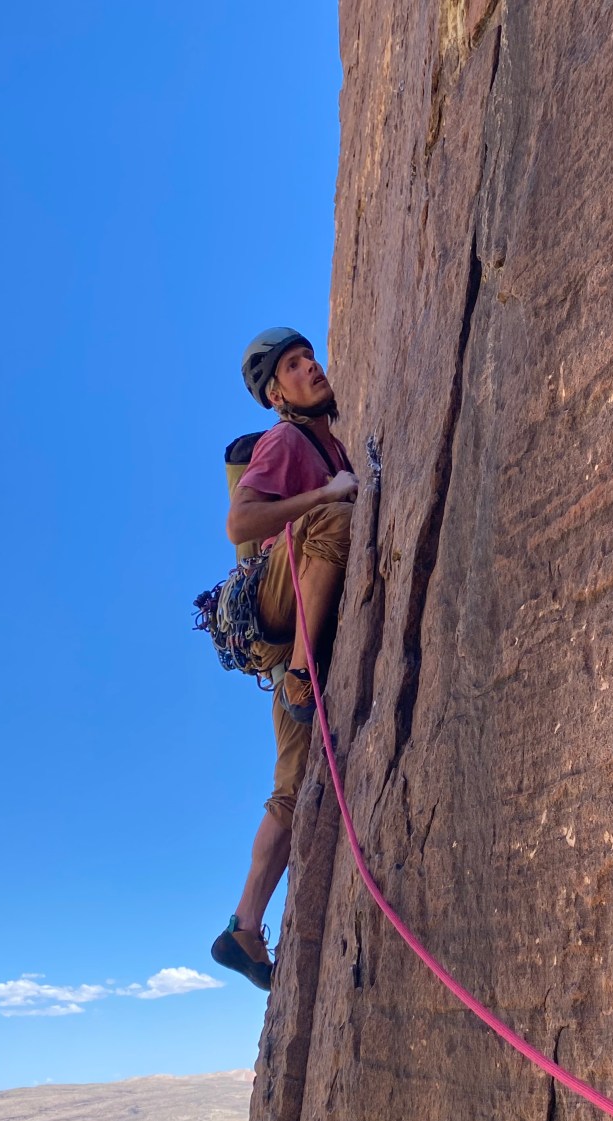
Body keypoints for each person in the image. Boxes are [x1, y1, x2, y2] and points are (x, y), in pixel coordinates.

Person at [210, 328, 358, 990]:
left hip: (284, 648)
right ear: (277, 394)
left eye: (311, 358)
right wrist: (328, 493)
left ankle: (243, 930)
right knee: (333, 515)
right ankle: (301, 675)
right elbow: (242, 524)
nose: (313, 367)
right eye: (295, 367)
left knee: (290, 794)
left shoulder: (325, 441)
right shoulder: (284, 441)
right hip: (282, 615)